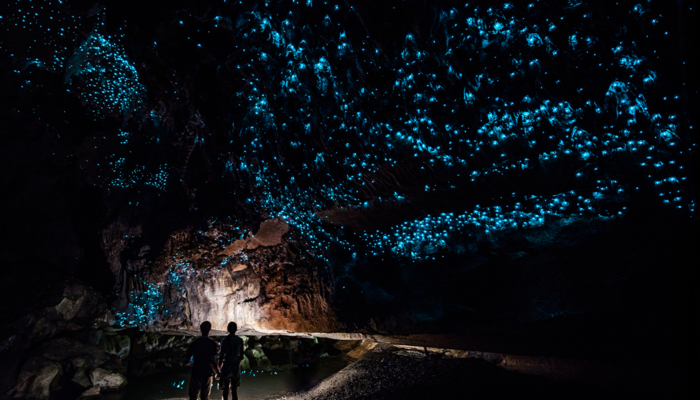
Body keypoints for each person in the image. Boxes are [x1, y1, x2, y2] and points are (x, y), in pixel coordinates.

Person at [186, 321, 219, 400]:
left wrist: (192, 363)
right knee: (205, 397)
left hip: (196, 372)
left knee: (193, 396)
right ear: (209, 330)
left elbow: (187, 361)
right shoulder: (212, 344)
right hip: (207, 373)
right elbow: (211, 362)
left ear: (200, 330)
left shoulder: (194, 343)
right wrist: (217, 373)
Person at [218, 321, 245, 400]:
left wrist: (219, 369)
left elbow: (221, 356)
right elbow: (241, 356)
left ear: (228, 329)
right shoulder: (240, 340)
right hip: (235, 366)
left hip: (226, 366)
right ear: (236, 329)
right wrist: (237, 365)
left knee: (225, 390)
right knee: (234, 390)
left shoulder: (224, 341)